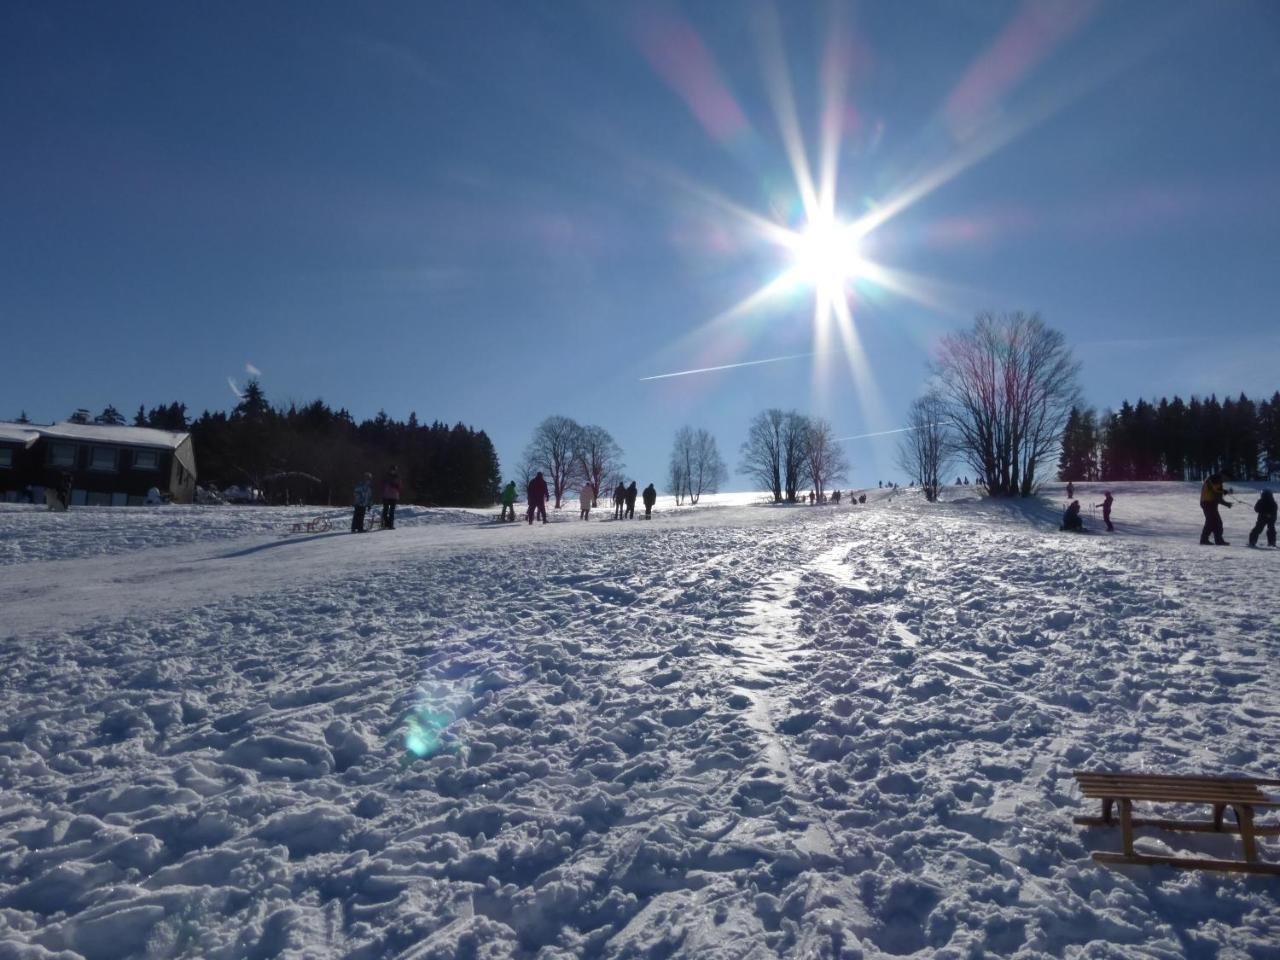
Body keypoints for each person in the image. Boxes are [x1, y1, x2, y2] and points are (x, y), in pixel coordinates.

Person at [1199, 473, 1232, 545]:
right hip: (1208, 503)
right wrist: (1226, 503)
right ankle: (1205, 539)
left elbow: (1217, 492)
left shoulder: (1215, 480)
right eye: (1227, 478)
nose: (1226, 480)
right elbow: (1217, 494)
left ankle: (1217, 540)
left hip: (1209, 503)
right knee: (1212, 521)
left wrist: (1224, 492)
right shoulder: (1215, 480)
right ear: (1224, 475)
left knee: (1215, 522)